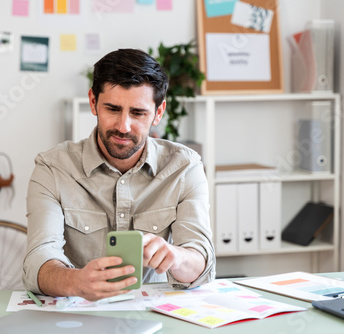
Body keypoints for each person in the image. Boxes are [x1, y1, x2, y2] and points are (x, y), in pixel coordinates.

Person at [23, 48, 215, 301]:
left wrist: (176, 257)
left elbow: (201, 262)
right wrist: (76, 281)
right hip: (78, 315)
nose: (123, 127)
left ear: (158, 112)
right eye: (112, 109)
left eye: (138, 113)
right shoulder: (52, 168)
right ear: (93, 102)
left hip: (154, 316)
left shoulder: (184, 167)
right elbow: (38, 260)